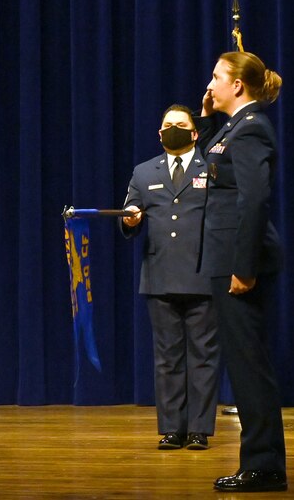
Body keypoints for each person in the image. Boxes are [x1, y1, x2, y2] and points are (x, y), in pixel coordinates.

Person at [200, 51, 287, 492]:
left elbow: (254, 201)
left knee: (250, 365)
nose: (210, 83)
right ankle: (262, 460)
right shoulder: (234, 127)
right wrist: (209, 120)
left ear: (238, 85)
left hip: (239, 261)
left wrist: (244, 267)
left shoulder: (252, 129)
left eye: (217, 77)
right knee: (242, 362)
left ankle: (264, 465)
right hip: (226, 258)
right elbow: (213, 170)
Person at [120, 104, 219, 451]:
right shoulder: (144, 171)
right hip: (160, 277)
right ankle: (173, 428)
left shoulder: (211, 166)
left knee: (203, 356)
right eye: (167, 125)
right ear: (159, 134)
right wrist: (129, 219)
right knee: (167, 358)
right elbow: (129, 211)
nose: (172, 129)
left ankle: (198, 429)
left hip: (202, 275)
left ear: (194, 133)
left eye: (180, 124)